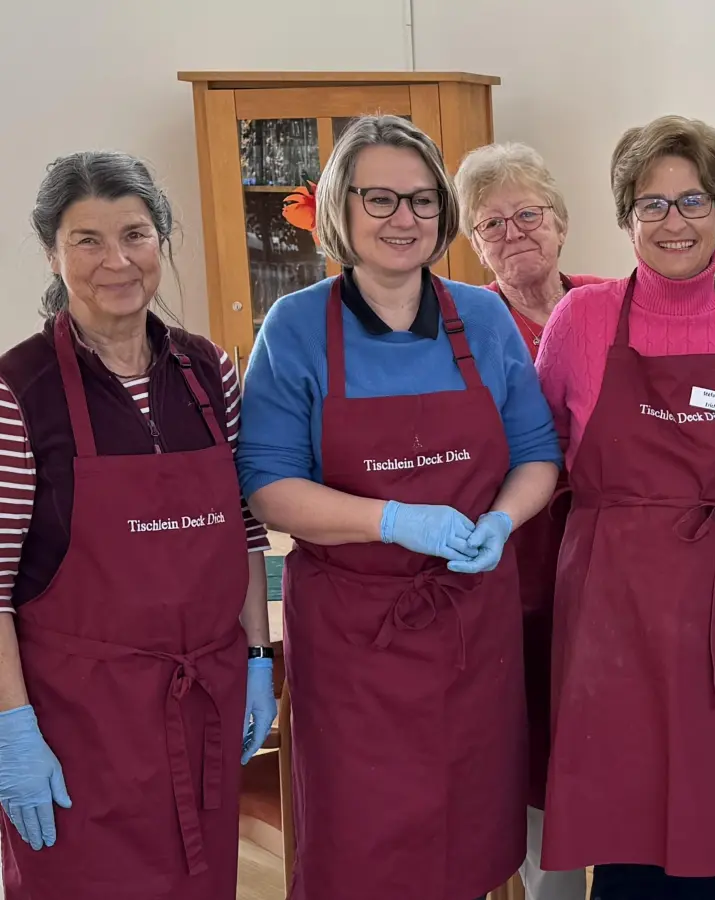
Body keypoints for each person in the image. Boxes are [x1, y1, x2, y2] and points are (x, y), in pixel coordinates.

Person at [235, 115, 562, 900]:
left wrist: (502, 521)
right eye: (379, 198)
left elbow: (537, 456)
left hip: (471, 631)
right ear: (342, 209)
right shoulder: (297, 327)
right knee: (363, 845)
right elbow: (268, 486)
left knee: (472, 840)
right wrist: (392, 519)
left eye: (421, 200)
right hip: (354, 642)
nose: (403, 218)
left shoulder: (480, 320)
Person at [0, 151, 275, 899]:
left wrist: (256, 659)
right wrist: (12, 726)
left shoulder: (206, 370)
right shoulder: (16, 389)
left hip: (203, 709)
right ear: (52, 252)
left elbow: (246, 530)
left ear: (163, 240)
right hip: (79, 727)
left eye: (136, 233)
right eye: (86, 240)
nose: (116, 260)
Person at [535, 114, 715, 900]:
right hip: (610, 604)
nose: (675, 222)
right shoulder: (580, 320)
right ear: (626, 216)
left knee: (702, 820)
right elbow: (534, 458)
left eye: (694, 201)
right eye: (653, 204)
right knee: (620, 812)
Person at [454, 141, 605, 900]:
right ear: (474, 244)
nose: (514, 233)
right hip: (522, 567)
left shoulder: (618, 301)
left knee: (613, 743)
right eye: (491, 224)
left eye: (527, 214)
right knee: (535, 747)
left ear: (562, 221)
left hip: (617, 564)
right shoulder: (466, 323)